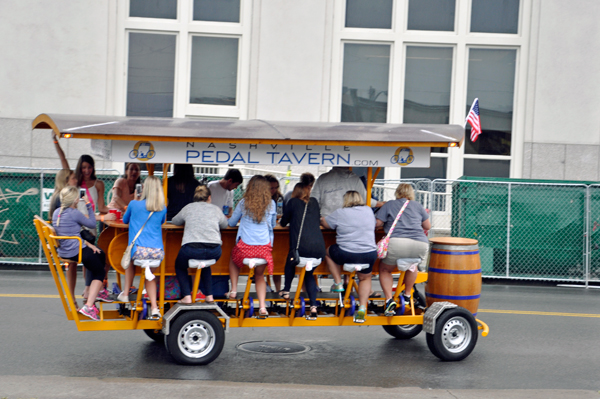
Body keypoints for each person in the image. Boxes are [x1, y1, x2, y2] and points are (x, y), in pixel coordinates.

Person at [52, 187, 113, 320]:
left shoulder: (57, 212)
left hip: (66, 250)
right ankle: (89, 306)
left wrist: (89, 244)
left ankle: (97, 291)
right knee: (99, 272)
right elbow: (91, 223)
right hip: (75, 251)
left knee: (100, 253)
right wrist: (88, 205)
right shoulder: (74, 213)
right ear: (75, 200)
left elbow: (69, 234)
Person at [321, 190, 377, 323]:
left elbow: (326, 224)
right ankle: (362, 308)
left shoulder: (340, 212)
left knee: (328, 252)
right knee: (365, 278)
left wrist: (322, 219)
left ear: (345, 200)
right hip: (368, 254)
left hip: (346, 254)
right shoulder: (369, 211)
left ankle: (338, 282)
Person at [118, 176, 167, 320]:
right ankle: (154, 308)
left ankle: (126, 294)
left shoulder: (134, 204)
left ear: (145, 189)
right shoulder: (162, 208)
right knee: (150, 277)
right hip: (157, 253)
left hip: (138, 252)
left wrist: (136, 200)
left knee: (129, 257)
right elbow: (163, 221)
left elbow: (125, 219)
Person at [375, 183, 430, 314]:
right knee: (413, 266)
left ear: (397, 192)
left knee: (384, 269)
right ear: (411, 193)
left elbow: (377, 223)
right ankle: (406, 296)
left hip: (397, 243)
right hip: (420, 244)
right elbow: (427, 226)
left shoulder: (389, 205)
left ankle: (389, 300)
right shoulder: (418, 206)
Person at [227, 175, 276, 319]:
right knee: (259, 276)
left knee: (233, 258)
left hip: (245, 249)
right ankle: (262, 307)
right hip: (263, 250)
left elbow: (231, 223)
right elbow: (272, 225)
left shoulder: (243, 203)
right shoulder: (271, 204)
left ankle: (234, 290)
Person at [172, 185, 228, 304]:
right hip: (214, 251)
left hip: (191, 249)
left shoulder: (188, 208)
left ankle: (187, 296)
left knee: (180, 266)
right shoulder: (216, 209)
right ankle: (209, 296)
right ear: (209, 197)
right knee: (205, 265)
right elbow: (224, 225)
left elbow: (175, 221)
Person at [279, 182, 326, 320]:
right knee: (309, 274)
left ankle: (286, 290)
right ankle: (313, 306)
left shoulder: (293, 202)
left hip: (301, 250)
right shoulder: (315, 202)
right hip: (319, 250)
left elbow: (282, 223)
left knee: (290, 261)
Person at [311, 167, 383, 217]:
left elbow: (314, 200)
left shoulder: (322, 178)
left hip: (326, 219)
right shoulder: (354, 179)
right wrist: (381, 204)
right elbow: (365, 200)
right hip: (347, 219)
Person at [264, 174, 284, 292]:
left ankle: (277, 290)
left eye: (276, 187)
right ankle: (265, 286)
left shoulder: (279, 198)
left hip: (277, 234)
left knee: (278, 262)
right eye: (271, 188)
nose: (274, 190)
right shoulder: (259, 199)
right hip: (266, 236)